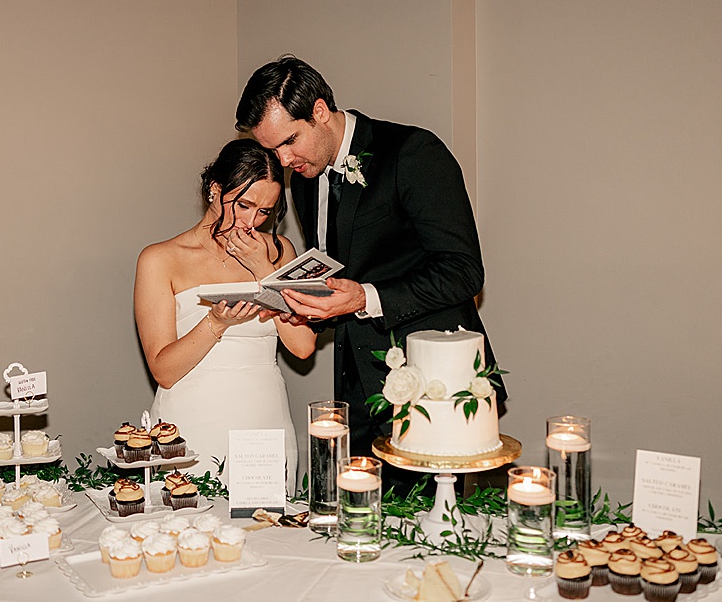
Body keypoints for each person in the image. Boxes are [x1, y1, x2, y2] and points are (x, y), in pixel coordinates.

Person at [235, 55, 503, 468]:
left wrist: (365, 299)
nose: (284, 162)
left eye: (289, 141)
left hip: (432, 388)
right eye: (272, 149)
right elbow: (339, 276)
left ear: (320, 111)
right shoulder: (305, 182)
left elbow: (464, 271)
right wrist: (304, 309)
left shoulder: (412, 152)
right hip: (357, 391)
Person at [134, 139, 319, 487]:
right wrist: (216, 323)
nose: (252, 222)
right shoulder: (160, 259)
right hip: (192, 420)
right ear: (215, 190)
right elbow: (164, 370)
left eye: (265, 212)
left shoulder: (278, 252)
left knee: (271, 532)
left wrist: (264, 270)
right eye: (244, 205)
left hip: (264, 418)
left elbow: (303, 346)